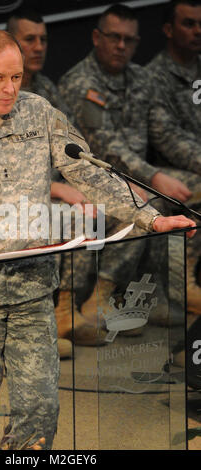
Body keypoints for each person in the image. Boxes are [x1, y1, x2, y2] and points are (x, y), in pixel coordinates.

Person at [0, 30, 195, 449]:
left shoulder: (39, 112)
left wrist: (150, 218)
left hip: (30, 289)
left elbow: (89, 172)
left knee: (40, 413)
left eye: (17, 78)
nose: (10, 89)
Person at [58, 3, 200, 322]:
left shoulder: (140, 78)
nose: (122, 46)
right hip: (93, 178)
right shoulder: (81, 83)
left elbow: (164, 133)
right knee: (145, 199)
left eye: (129, 40)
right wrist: (155, 175)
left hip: (136, 176)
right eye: (114, 37)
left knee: (193, 191)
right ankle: (102, 295)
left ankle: (163, 289)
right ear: (97, 37)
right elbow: (107, 149)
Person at [7, 8, 101, 353]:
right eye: (29, 39)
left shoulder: (46, 88)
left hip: (49, 192)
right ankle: (39, 320)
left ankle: (66, 309)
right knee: (54, 212)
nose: (38, 47)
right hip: (7, 200)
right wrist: (55, 187)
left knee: (88, 210)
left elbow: (69, 144)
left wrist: (86, 183)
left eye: (43, 40)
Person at [146, 0, 201, 315]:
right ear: (168, 29)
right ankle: (184, 282)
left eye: (200, 24)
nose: (197, 31)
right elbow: (165, 137)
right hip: (163, 169)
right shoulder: (153, 76)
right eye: (188, 23)